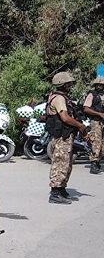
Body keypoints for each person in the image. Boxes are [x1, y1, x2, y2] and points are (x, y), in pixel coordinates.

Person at [46, 72, 89, 204]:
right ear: (62, 84)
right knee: (60, 162)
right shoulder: (59, 98)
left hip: (66, 135)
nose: (70, 85)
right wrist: (80, 126)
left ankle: (61, 189)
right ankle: (55, 192)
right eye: (68, 83)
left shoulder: (63, 97)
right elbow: (64, 117)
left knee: (66, 163)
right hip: (61, 137)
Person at [82, 76, 104, 175]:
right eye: (98, 85)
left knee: (102, 144)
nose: (100, 86)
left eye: (101, 85)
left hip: (102, 122)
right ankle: (94, 163)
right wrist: (99, 114)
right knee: (96, 142)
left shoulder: (102, 95)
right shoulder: (92, 95)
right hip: (95, 121)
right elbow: (86, 108)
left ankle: (98, 162)